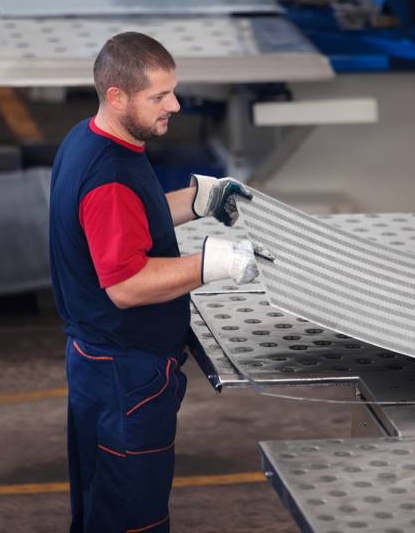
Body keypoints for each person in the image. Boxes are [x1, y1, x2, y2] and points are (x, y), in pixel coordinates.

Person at [49, 31, 258, 532]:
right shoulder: (111, 178)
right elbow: (127, 283)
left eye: (173, 91)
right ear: (117, 95)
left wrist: (196, 200)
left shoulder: (91, 138)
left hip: (100, 363)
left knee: (103, 506)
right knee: (131, 516)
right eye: (159, 97)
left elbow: (124, 226)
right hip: (127, 374)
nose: (176, 105)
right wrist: (218, 263)